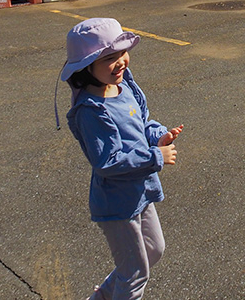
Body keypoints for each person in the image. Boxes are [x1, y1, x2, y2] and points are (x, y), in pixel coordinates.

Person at [59, 17, 182, 300]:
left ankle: (102, 297)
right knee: (135, 271)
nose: (121, 62)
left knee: (154, 250)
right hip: (116, 201)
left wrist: (159, 136)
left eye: (122, 53)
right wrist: (155, 156)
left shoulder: (124, 87)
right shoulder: (92, 111)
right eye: (109, 58)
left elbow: (143, 122)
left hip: (139, 190)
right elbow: (108, 162)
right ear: (86, 67)